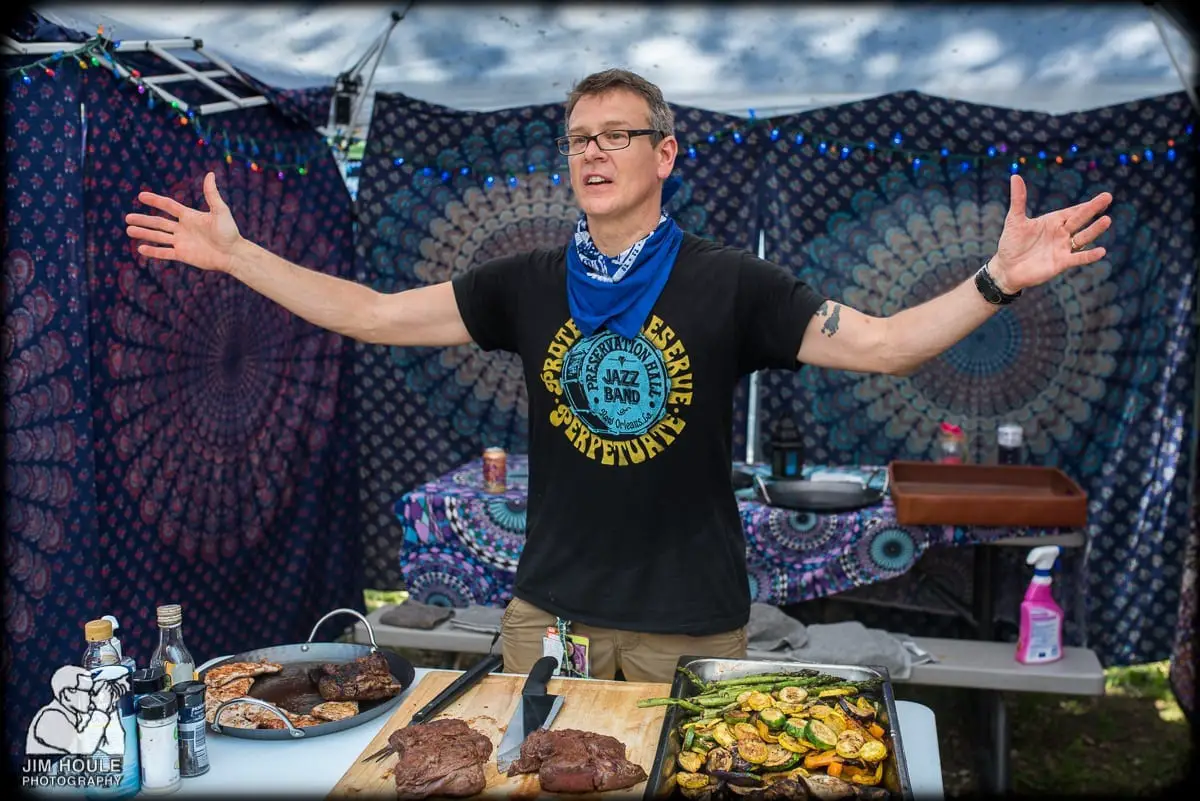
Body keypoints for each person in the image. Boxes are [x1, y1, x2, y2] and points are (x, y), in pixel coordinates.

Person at [125, 68, 1112, 683]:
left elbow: (886, 344)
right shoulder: (524, 284)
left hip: (689, 623)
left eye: (616, 135)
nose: (593, 152)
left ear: (665, 153)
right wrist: (240, 257)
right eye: (579, 139)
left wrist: (995, 278)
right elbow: (375, 315)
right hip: (548, 617)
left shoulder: (732, 284)